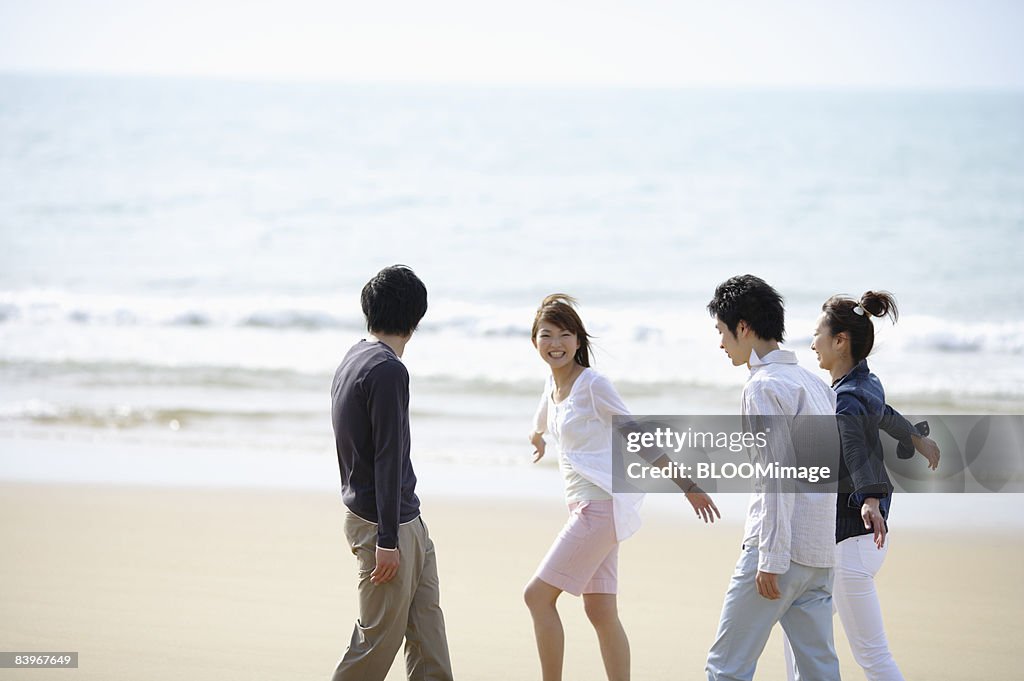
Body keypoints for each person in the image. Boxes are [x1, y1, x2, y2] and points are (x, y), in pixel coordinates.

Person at [524, 294, 719, 681]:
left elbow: (637, 436)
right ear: (535, 342)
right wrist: (537, 437)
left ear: (579, 341)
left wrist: (687, 485)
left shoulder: (593, 385)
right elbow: (546, 414)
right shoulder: (553, 384)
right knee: (600, 610)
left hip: (598, 510)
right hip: (591, 510)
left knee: (536, 597)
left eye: (566, 335)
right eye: (547, 335)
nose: (556, 343)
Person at [781, 291, 940, 681]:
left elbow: (854, 447)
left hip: (852, 543)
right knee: (797, 625)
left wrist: (870, 496)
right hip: (853, 544)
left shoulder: (845, 400)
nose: (812, 342)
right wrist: (916, 438)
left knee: (872, 656)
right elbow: (883, 413)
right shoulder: (864, 384)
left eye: (818, 333)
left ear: (840, 341)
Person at [704, 274, 842, 681]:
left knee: (726, 667)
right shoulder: (815, 384)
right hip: (818, 556)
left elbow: (777, 477)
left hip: (778, 554)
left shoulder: (763, 387)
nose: (721, 343)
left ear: (743, 328)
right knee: (819, 671)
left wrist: (771, 557)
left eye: (722, 332)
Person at [329, 265, 454, 681]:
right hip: (387, 526)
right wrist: (386, 539)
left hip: (405, 520)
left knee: (428, 637)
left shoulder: (355, 356)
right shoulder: (388, 370)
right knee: (376, 643)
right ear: (416, 319)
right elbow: (387, 456)